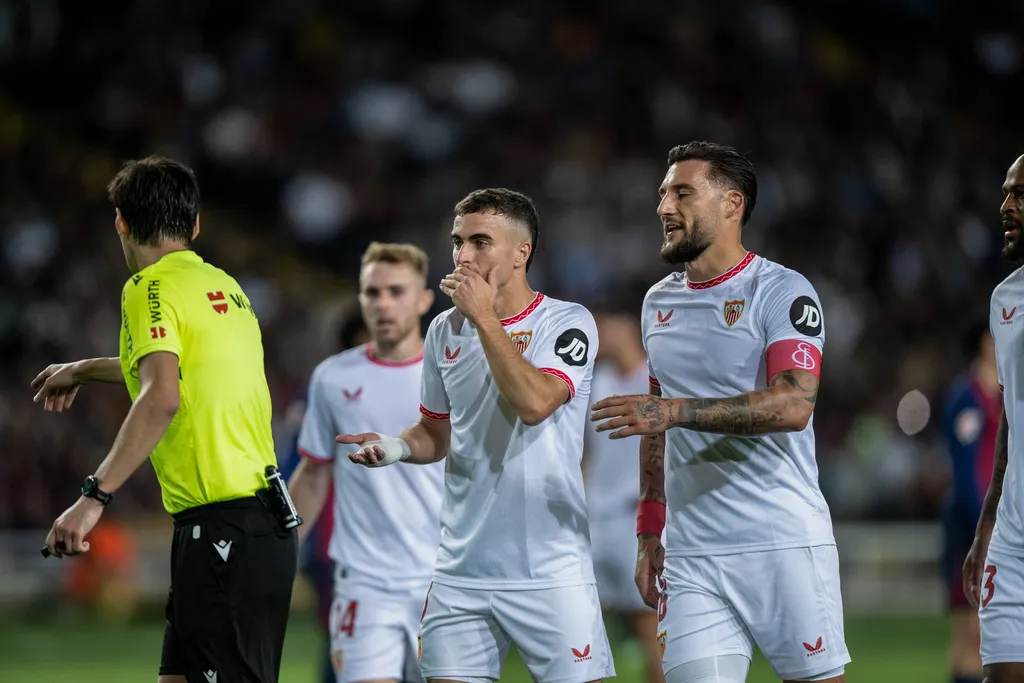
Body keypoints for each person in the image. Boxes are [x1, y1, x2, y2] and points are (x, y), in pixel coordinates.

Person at [590, 141, 850, 683]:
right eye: (663, 193)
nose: (665, 207)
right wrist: (648, 532)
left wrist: (674, 412)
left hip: (781, 540)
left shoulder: (780, 291)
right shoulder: (658, 302)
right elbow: (655, 424)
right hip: (691, 553)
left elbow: (793, 403)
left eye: (683, 193)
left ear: (732, 204)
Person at [31, 156, 298, 683]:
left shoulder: (147, 287)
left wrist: (92, 498)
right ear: (195, 226)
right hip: (253, 528)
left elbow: (161, 396)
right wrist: (82, 370)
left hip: (224, 529)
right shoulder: (227, 290)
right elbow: (181, 368)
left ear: (121, 223)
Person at [341, 188, 615, 683]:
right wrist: (396, 447)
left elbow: (535, 404)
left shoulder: (567, 323)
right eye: (457, 241)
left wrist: (486, 317)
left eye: (481, 242)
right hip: (460, 569)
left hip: (548, 567)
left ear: (521, 252)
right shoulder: (445, 330)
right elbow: (435, 432)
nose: (463, 256)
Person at [288, 242, 442, 683]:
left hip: (444, 579)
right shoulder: (333, 377)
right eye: (372, 293)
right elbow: (314, 471)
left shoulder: (454, 373)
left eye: (396, 291)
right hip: (364, 581)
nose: (383, 303)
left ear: (424, 300)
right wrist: (281, 553)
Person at [280, 311, 370, 683]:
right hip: (334, 536)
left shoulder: (418, 380)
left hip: (400, 536)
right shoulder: (328, 387)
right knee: (343, 632)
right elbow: (297, 464)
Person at [963, 153, 1024, 683]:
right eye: (1007, 192)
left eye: (1020, 195)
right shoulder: (1005, 299)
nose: (1006, 207)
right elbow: (1009, 419)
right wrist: (987, 527)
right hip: (1013, 537)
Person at [584, 309, 665, 683]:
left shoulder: (654, 378)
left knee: (650, 629)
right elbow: (588, 452)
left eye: (608, 329)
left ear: (627, 330)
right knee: (580, 629)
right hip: (595, 519)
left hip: (634, 518)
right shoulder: (598, 381)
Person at [941, 323, 1000, 683]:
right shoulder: (967, 396)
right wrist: (983, 523)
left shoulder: (1005, 392)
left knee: (992, 630)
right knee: (970, 631)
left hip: (997, 520)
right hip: (972, 521)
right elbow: (965, 469)